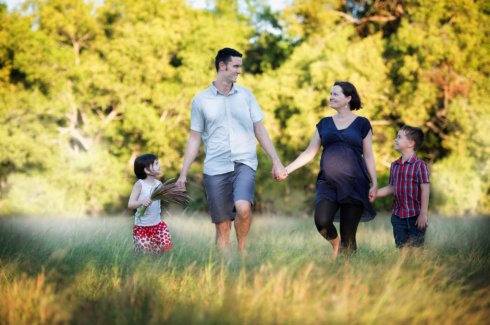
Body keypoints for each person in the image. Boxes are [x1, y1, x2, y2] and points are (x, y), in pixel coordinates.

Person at [176, 48, 286, 255]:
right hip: (215, 167)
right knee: (223, 226)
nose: (239, 71)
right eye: (235, 66)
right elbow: (194, 138)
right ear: (222, 66)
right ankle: (225, 267)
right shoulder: (201, 100)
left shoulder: (246, 95)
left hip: (244, 162)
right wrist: (183, 173)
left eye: (240, 66)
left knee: (243, 208)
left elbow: (259, 128)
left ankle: (242, 251)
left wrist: (276, 161)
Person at [279, 81, 377, 258]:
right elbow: (309, 153)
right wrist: (287, 169)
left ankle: (347, 276)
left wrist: (375, 183)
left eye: (335, 94)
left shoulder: (362, 124)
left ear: (348, 98)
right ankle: (335, 243)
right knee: (322, 222)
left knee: (349, 236)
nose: (331, 97)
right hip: (328, 184)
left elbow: (369, 156)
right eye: (330, 94)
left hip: (354, 184)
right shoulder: (324, 124)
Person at [376, 126, 430, 248]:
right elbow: (391, 187)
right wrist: (375, 193)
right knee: (402, 250)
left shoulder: (420, 165)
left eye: (399, 137)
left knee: (416, 251)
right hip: (398, 216)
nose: (395, 139)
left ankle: (418, 267)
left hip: (415, 216)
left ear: (411, 143)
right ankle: (403, 267)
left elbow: (425, 190)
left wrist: (423, 214)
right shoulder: (394, 165)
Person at [128, 154, 173, 254]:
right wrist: (141, 202)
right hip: (142, 226)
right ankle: (146, 267)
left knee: (162, 250)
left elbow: (163, 197)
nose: (159, 166)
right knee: (145, 254)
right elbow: (130, 204)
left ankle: (158, 266)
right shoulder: (140, 184)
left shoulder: (159, 184)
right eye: (156, 164)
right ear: (147, 170)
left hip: (157, 225)